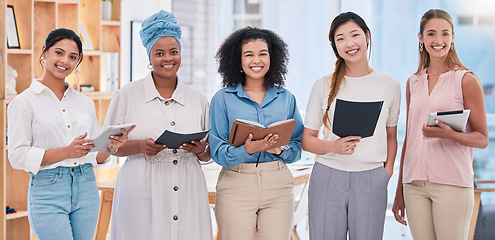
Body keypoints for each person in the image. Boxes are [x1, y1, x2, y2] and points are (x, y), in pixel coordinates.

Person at [7, 28, 132, 240]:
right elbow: (17, 156)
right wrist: (66, 152)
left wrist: (111, 147)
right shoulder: (23, 102)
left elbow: (94, 155)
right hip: (47, 189)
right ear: (44, 52)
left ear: (78, 62)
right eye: (59, 52)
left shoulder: (84, 103)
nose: (65, 61)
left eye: (73, 57)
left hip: (86, 185)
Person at [103, 10, 213, 240]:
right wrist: (139, 147)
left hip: (188, 189)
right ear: (149, 57)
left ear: (181, 53)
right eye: (159, 53)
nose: (168, 58)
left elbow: (208, 154)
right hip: (141, 189)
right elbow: (107, 147)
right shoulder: (127, 95)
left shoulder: (198, 99)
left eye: (174, 52)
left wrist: (199, 149)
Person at [301, 12, 401, 239]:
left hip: (371, 177)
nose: (349, 43)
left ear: (367, 36)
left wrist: (387, 173)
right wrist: (333, 147)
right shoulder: (323, 85)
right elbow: (307, 140)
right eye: (340, 39)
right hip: (328, 174)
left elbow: (391, 135)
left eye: (355, 35)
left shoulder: (390, 85)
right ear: (335, 46)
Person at [392, 9, 489, 240]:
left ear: (453, 37)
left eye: (445, 34)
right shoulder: (412, 82)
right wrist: (399, 191)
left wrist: (450, 135)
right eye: (432, 34)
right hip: (413, 184)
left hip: (452, 184)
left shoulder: (466, 80)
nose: (438, 40)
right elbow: (409, 139)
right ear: (421, 37)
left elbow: (482, 138)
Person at [209, 27, 304, 240]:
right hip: (236, 183)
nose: (256, 60)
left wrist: (281, 150)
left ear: (272, 57)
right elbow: (217, 151)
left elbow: (297, 147)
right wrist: (246, 150)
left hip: (278, 183)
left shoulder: (286, 98)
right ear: (237, 59)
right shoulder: (222, 99)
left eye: (263, 53)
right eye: (248, 54)